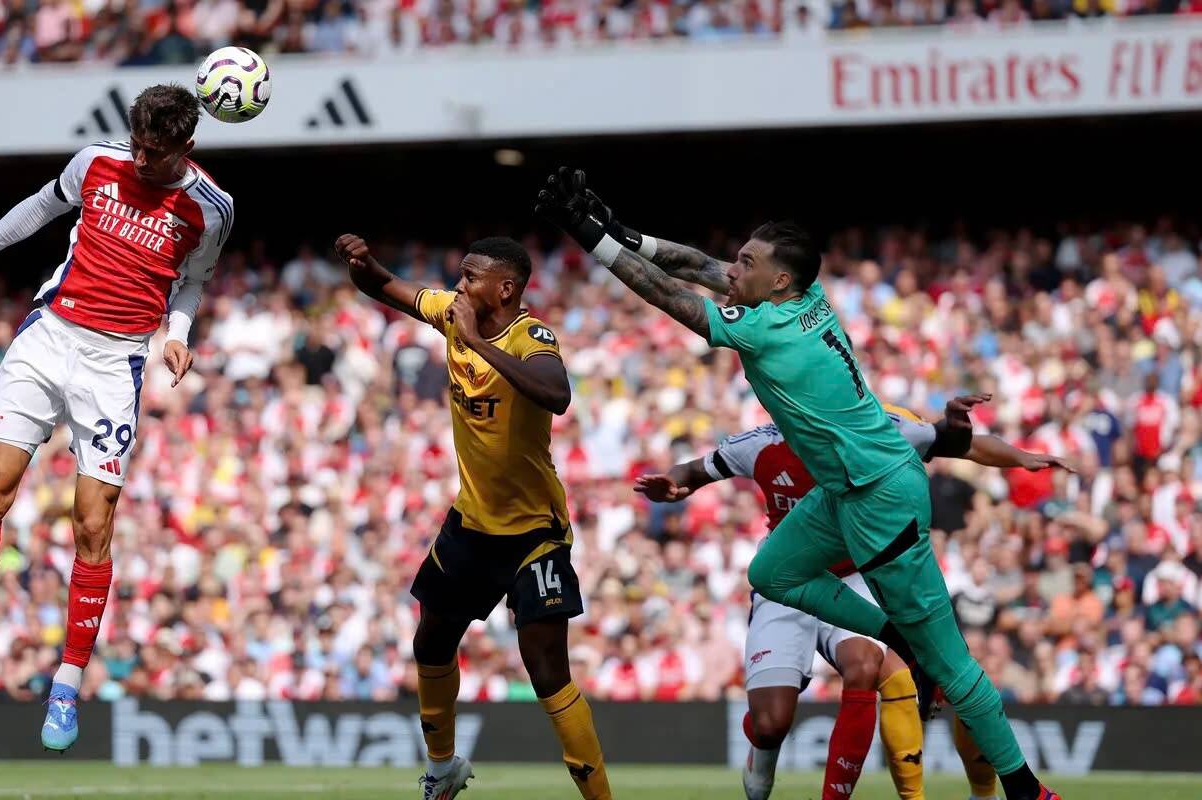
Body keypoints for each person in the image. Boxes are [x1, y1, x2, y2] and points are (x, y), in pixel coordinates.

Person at [536, 167, 1059, 800]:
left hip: (881, 497)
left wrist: (593, 242)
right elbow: (700, 266)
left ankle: (1026, 788)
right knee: (771, 572)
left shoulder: (765, 330)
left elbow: (668, 296)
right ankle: (896, 638)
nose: (734, 267)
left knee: (952, 664)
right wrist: (620, 230)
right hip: (848, 489)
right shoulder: (805, 302)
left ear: (777, 280)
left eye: (748, 262)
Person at [0, 85, 232, 753]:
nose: (142, 159)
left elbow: (194, 279)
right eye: (137, 144)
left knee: (92, 523)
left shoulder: (211, 207)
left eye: (157, 152)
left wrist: (178, 330)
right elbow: (40, 207)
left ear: (186, 148)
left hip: (116, 367)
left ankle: (66, 683)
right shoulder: (96, 162)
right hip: (49, 337)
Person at [636, 396, 1073, 800]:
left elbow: (965, 445)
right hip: (788, 581)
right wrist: (673, 485)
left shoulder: (874, 429)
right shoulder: (760, 443)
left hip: (852, 577)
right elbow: (696, 471)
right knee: (771, 725)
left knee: (867, 665)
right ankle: (762, 748)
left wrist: (1022, 459)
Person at [334, 233, 611, 800]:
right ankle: (442, 769)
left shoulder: (531, 336)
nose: (458, 285)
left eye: (470, 277)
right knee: (431, 642)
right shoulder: (451, 311)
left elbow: (557, 395)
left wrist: (474, 342)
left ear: (505, 288)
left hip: (534, 532)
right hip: (472, 525)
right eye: (459, 276)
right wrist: (364, 263)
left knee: (546, 670)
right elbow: (385, 287)